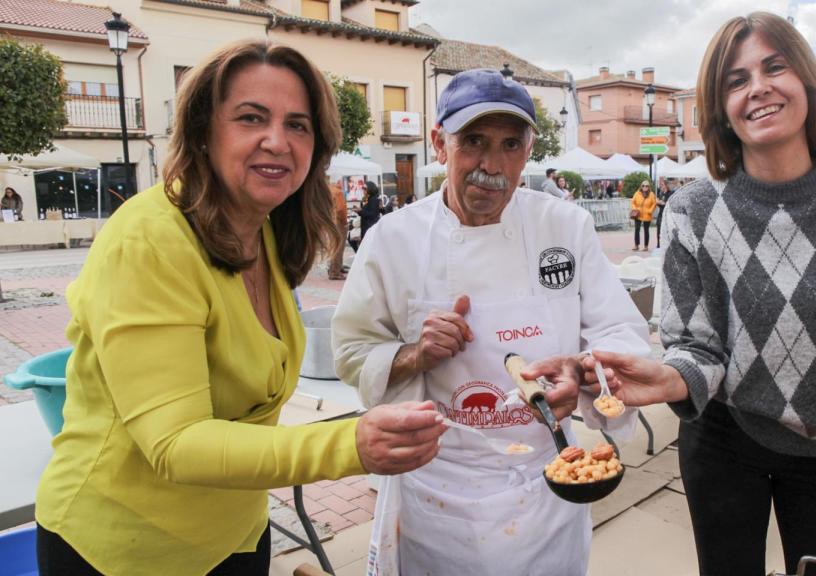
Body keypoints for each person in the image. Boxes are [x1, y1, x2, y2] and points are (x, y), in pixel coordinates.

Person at [33, 40, 445, 576]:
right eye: (251, 118)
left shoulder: (266, 231)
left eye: (298, 125)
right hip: (124, 549)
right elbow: (177, 443)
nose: (277, 141)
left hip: (238, 533)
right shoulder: (149, 239)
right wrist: (350, 442)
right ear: (204, 131)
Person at [581, 13, 816, 576]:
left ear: (805, 80)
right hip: (726, 440)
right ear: (720, 107)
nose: (757, 86)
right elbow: (696, 345)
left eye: (773, 67)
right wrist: (669, 376)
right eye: (736, 80)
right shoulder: (692, 211)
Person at [331, 67, 650, 576]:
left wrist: (583, 374)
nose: (490, 165)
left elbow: (619, 331)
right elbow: (349, 352)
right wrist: (415, 353)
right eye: (473, 141)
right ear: (440, 143)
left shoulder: (565, 226)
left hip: (544, 485)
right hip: (436, 487)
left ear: (528, 152)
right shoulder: (393, 239)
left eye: (509, 145)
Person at [328, 179, 348, 280]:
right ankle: (335, 272)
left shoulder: (328, 190)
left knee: (334, 246)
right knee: (339, 247)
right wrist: (345, 222)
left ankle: (333, 269)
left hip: (330, 220)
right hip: (338, 221)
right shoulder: (338, 192)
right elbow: (341, 209)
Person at [630, 179, 657, 251]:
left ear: (649, 187)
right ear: (641, 186)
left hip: (647, 215)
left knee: (646, 230)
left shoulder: (651, 194)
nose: (645, 187)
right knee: (637, 229)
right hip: (638, 214)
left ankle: (646, 246)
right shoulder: (637, 193)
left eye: (647, 186)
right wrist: (635, 208)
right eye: (643, 186)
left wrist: (650, 211)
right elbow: (633, 202)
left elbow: (654, 203)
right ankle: (636, 245)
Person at [654, 178, 675, 248]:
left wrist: (663, 203)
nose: (661, 186)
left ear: (666, 185)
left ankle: (667, 245)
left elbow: (671, 204)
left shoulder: (671, 193)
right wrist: (658, 202)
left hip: (668, 215)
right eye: (661, 185)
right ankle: (658, 245)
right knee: (659, 230)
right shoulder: (661, 193)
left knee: (667, 231)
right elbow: (660, 203)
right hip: (661, 214)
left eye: (662, 185)